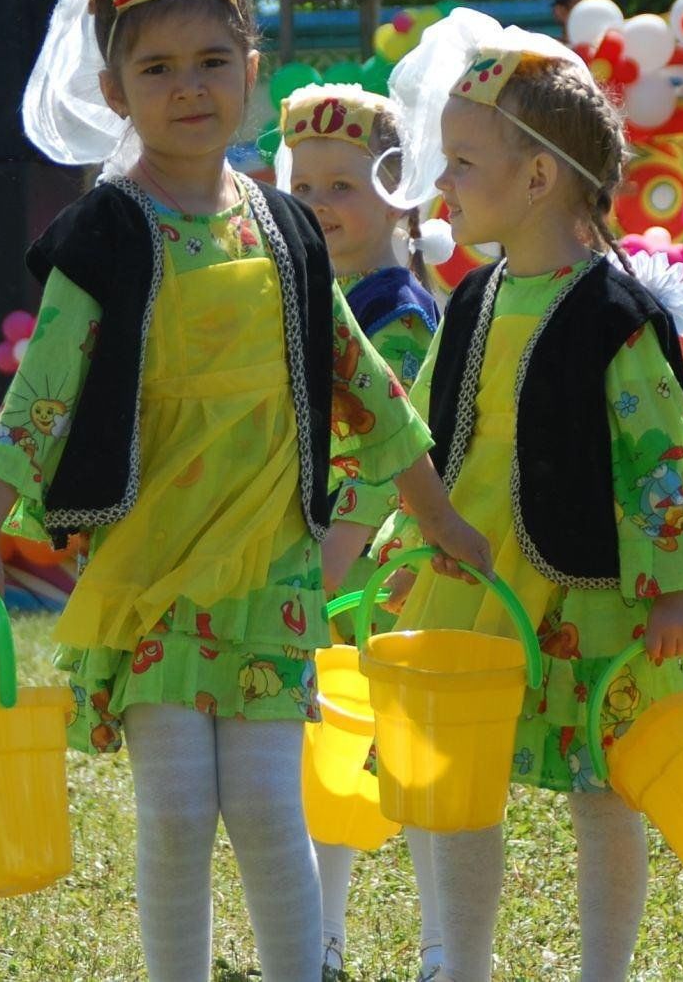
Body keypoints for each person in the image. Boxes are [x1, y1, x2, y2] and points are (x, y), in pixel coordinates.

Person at [0, 0, 490, 982]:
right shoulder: (107, 229)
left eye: (211, 62)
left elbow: (363, 383)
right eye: (156, 68)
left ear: (252, 70)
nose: (188, 88)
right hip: (153, 562)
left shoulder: (283, 225)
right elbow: (43, 387)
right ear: (113, 86)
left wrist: (437, 514)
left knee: (270, 808)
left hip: (269, 562)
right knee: (180, 809)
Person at [347, 10, 683, 982]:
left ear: (536, 178)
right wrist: (382, 529)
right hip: (473, 571)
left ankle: (604, 967)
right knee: (452, 774)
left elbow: (663, 454)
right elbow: (420, 429)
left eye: (462, 164)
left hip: (586, 577)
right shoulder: (476, 298)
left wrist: (676, 586)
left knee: (605, 782)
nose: (441, 184)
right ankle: (459, 960)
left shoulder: (617, 311)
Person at [278, 83, 447, 980]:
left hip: (385, 570)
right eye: (303, 187)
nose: (320, 206)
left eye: (343, 185)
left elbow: (384, 454)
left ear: (400, 192)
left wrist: (330, 556)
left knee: (412, 765)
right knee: (329, 761)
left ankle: (440, 945)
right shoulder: (300, 301)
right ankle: (322, 939)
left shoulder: (402, 315)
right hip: (321, 565)